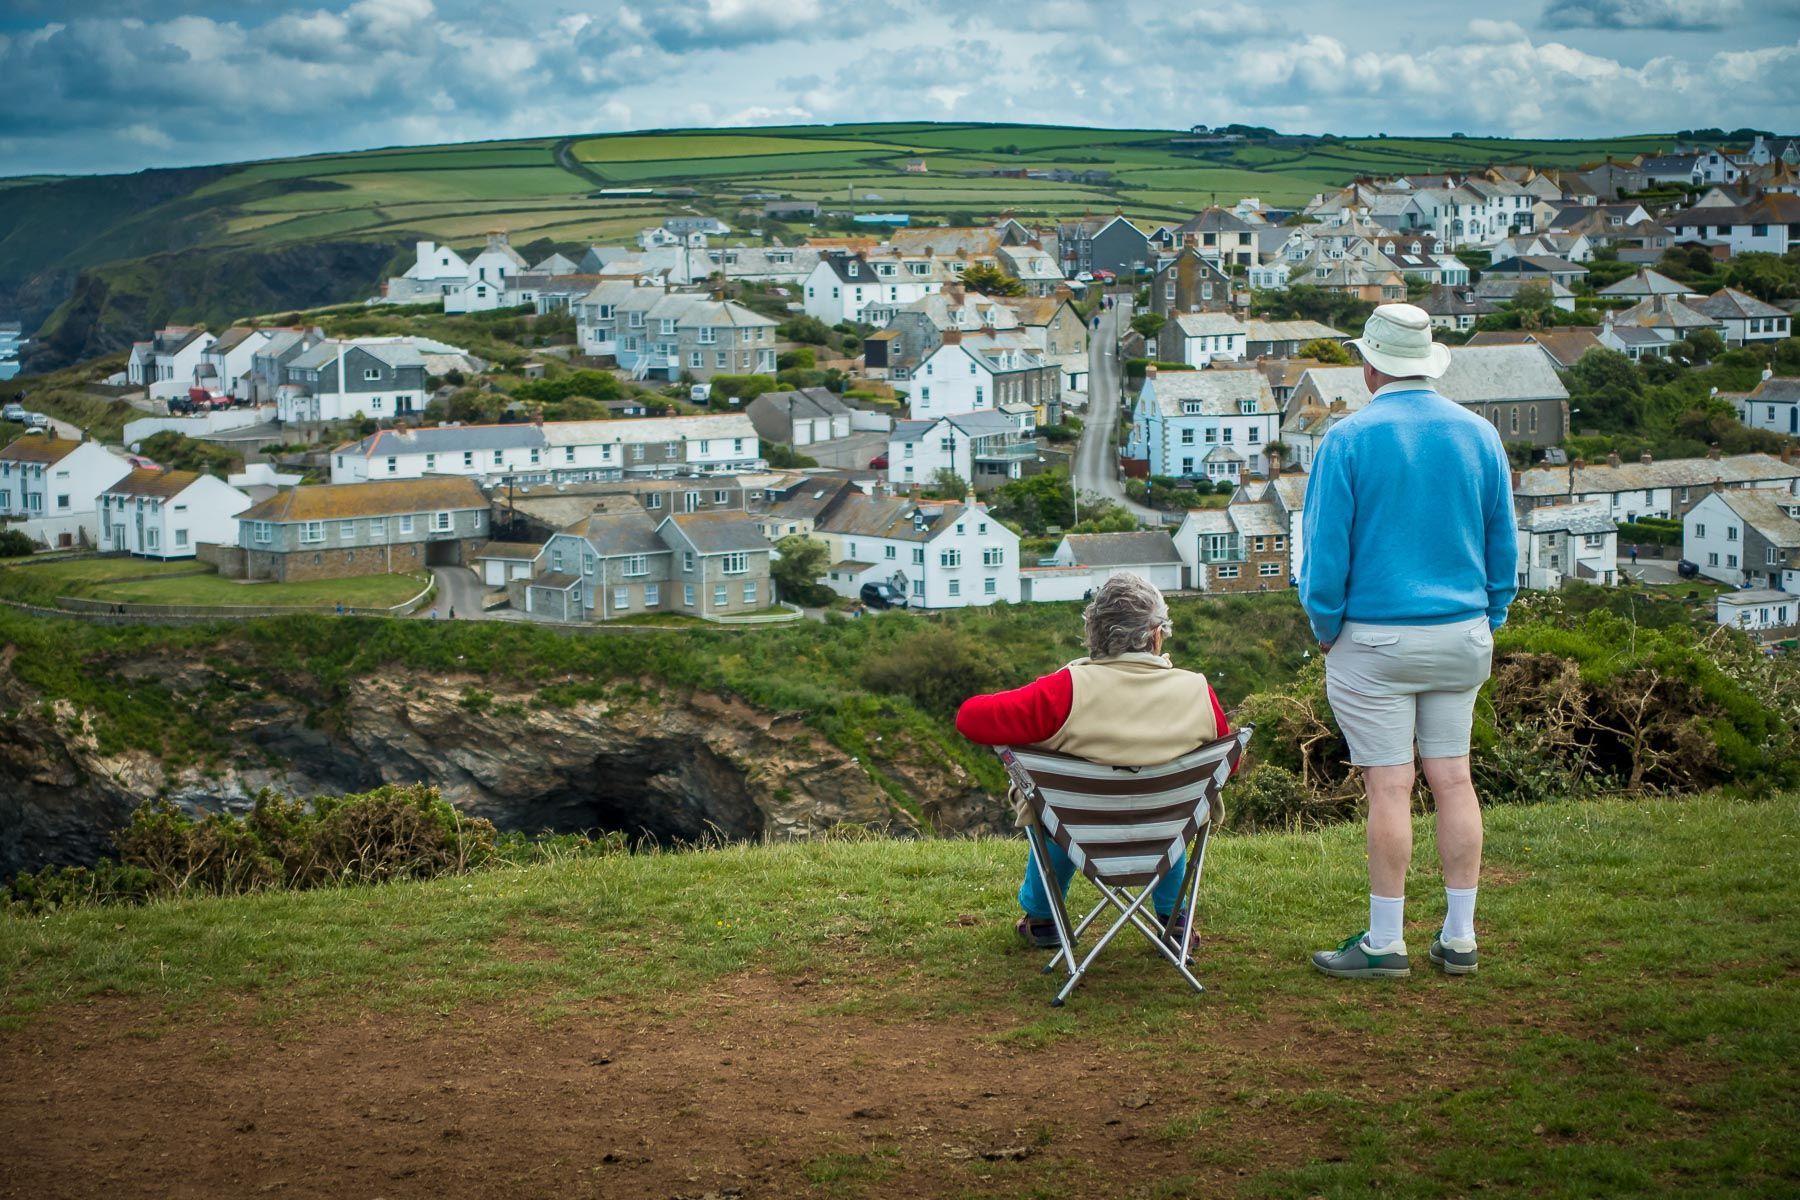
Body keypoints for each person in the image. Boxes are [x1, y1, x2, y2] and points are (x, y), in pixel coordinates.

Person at [1300, 303, 1517, 980]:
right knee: (1454, 779)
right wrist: (1491, 618)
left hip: (1374, 638)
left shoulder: (1348, 440)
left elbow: (1324, 555)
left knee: (1390, 788)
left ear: (1370, 367)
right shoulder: (1480, 436)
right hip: (1462, 633)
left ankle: (1386, 942)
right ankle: (1459, 938)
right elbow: (1502, 545)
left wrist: (1327, 629)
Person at [954, 573, 1232, 950]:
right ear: (1155, 635)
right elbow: (1228, 764)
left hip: (1080, 834)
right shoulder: (1198, 691)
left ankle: (1044, 918)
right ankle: (1174, 921)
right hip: (1165, 832)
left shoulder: (1063, 691)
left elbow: (970, 717)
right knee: (1178, 801)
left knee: (1053, 808)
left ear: (1094, 634)